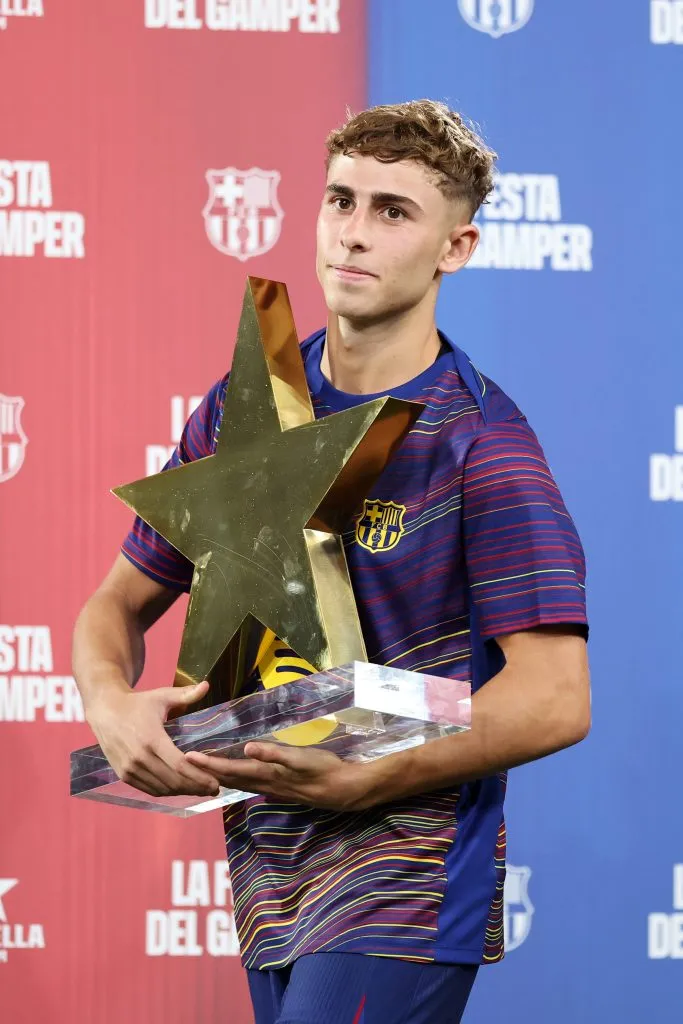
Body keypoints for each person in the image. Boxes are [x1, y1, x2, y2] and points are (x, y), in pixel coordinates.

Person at [72, 100, 591, 1024]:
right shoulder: (249, 404)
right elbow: (117, 601)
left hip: (408, 862)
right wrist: (112, 704)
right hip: (268, 857)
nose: (352, 235)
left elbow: (555, 697)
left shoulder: (483, 443)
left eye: (392, 212)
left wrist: (378, 770)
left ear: (454, 249)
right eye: (340, 201)